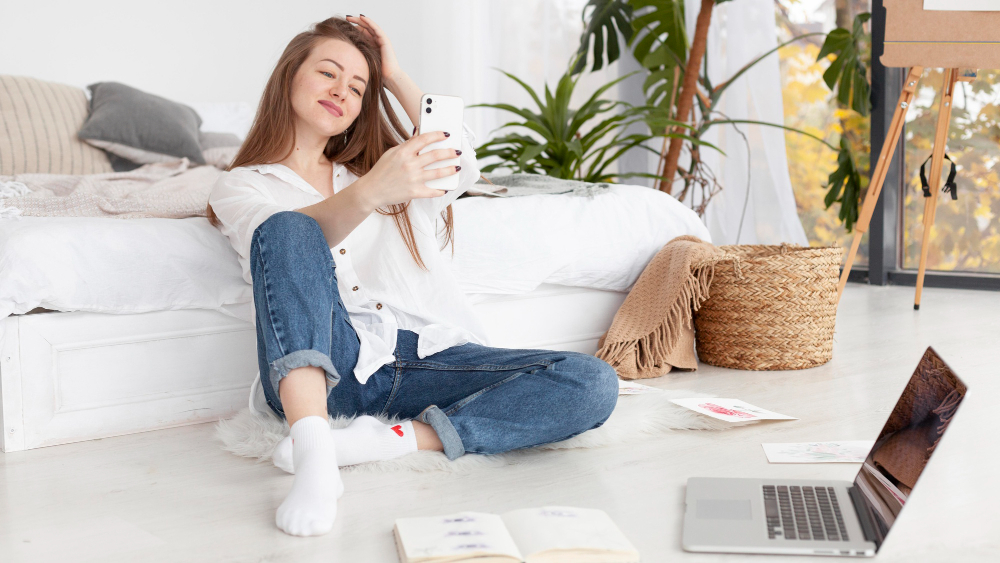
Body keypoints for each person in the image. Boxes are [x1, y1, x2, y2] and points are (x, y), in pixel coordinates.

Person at [207, 15, 619, 537]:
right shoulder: (242, 186)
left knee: (592, 383)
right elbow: (280, 249)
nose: (342, 91)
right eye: (328, 73)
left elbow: (461, 157)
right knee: (288, 229)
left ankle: (386, 441)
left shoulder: (393, 170)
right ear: (289, 76)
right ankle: (315, 454)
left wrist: (394, 73)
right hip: (329, 367)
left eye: (358, 87)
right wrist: (372, 192)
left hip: (425, 357)